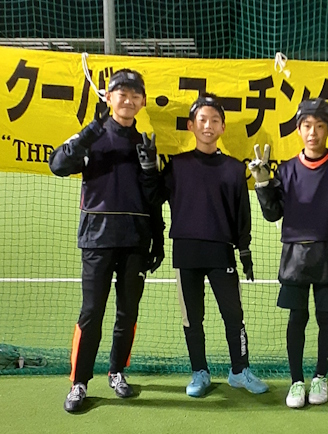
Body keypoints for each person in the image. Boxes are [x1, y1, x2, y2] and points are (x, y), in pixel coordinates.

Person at [49, 69, 165, 413]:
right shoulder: (92, 136)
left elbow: (154, 199)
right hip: (96, 240)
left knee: (127, 313)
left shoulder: (145, 143)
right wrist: (90, 130)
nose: (128, 100)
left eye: (134, 95)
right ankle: (79, 383)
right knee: (91, 313)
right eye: (121, 94)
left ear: (143, 102)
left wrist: (158, 239)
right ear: (109, 97)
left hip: (135, 241)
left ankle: (117, 372)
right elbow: (58, 164)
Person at [138, 92, 268, 397]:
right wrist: (148, 170)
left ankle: (239, 371)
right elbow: (154, 197)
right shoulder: (177, 165)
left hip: (221, 251)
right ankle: (200, 372)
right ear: (191, 126)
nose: (208, 125)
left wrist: (244, 250)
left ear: (222, 127)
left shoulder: (234, 168)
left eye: (214, 120)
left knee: (234, 316)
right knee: (192, 318)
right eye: (202, 120)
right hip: (186, 252)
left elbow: (242, 213)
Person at [249, 98, 328, 408]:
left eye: (319, 126)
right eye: (306, 126)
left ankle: (320, 378)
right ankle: (297, 381)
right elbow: (273, 214)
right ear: (299, 130)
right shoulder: (286, 170)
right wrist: (263, 183)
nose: (312, 132)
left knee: (326, 317)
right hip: (294, 258)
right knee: (296, 318)